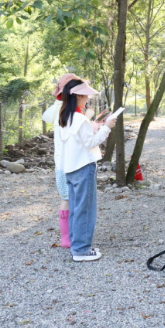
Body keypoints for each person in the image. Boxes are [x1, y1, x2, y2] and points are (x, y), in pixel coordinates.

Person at [58, 79, 116, 261]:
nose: (88, 98)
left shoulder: (65, 116)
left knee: (76, 209)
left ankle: (77, 245)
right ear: (78, 96)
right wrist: (107, 127)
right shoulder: (80, 119)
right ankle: (81, 250)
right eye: (86, 95)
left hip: (71, 168)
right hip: (83, 167)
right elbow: (91, 142)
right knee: (85, 209)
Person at [41, 73, 81, 248]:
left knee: (66, 198)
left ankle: (67, 236)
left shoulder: (60, 109)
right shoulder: (69, 113)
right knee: (72, 199)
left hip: (61, 163)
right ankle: (70, 236)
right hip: (71, 163)